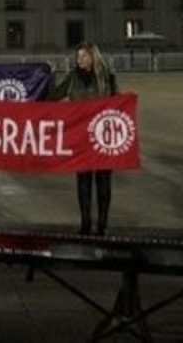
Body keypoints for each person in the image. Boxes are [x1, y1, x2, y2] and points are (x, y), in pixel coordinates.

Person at [51, 41, 118, 236]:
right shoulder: (72, 77)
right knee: (83, 182)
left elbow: (118, 104)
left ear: (93, 57)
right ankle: (86, 222)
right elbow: (53, 96)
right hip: (80, 139)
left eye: (83, 56)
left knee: (103, 182)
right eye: (78, 56)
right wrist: (49, 75)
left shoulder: (108, 78)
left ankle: (102, 223)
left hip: (103, 138)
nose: (79, 60)